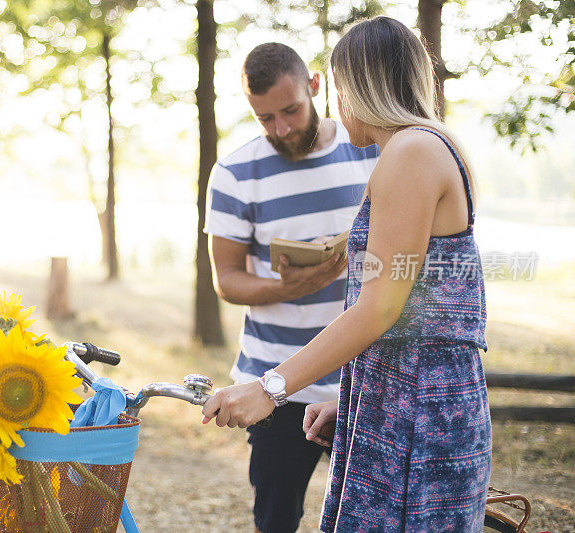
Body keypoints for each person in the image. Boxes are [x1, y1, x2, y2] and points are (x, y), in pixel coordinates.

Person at [202, 16, 492, 533]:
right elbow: (423, 305)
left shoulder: (409, 153)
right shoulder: (425, 145)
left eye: (337, 89)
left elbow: (379, 307)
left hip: (419, 414)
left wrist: (270, 388)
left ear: (355, 86)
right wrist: (357, 393)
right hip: (409, 397)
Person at [204, 43, 379, 533]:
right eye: (265, 118)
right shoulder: (235, 173)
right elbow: (228, 280)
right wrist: (290, 286)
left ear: (315, 87)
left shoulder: (370, 146)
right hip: (273, 382)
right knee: (276, 520)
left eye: (290, 110)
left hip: (361, 377)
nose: (281, 128)